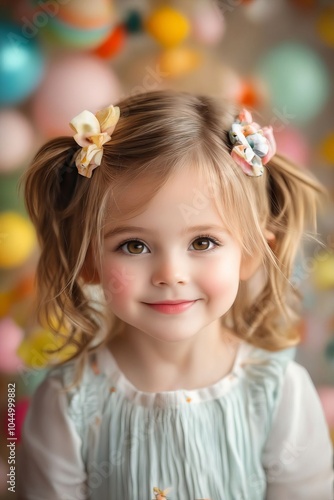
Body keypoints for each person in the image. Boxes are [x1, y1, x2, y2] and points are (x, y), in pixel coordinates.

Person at [18, 90, 333, 500]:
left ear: (252, 253)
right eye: (134, 246)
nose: (170, 275)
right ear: (90, 261)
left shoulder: (280, 394)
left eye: (202, 242)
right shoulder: (66, 404)